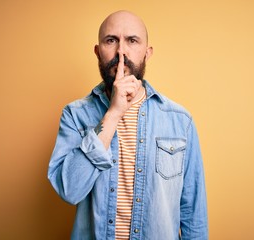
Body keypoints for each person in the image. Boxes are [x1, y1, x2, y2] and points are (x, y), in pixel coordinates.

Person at [48, 10, 208, 240]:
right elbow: (70, 190)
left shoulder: (179, 121)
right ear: (97, 51)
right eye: (111, 40)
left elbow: (194, 214)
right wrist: (113, 113)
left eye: (132, 41)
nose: (121, 51)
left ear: (147, 52)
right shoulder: (75, 115)